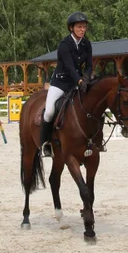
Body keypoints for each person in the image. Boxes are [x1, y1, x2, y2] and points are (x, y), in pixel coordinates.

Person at [40, 12, 94, 157]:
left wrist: (86, 78)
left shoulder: (86, 44)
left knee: (89, 107)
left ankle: (92, 141)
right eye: (79, 27)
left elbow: (89, 65)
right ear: (71, 28)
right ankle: (45, 143)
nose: (82, 30)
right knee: (50, 111)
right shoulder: (64, 44)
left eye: (84, 27)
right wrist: (80, 80)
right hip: (60, 83)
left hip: (77, 83)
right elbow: (70, 66)